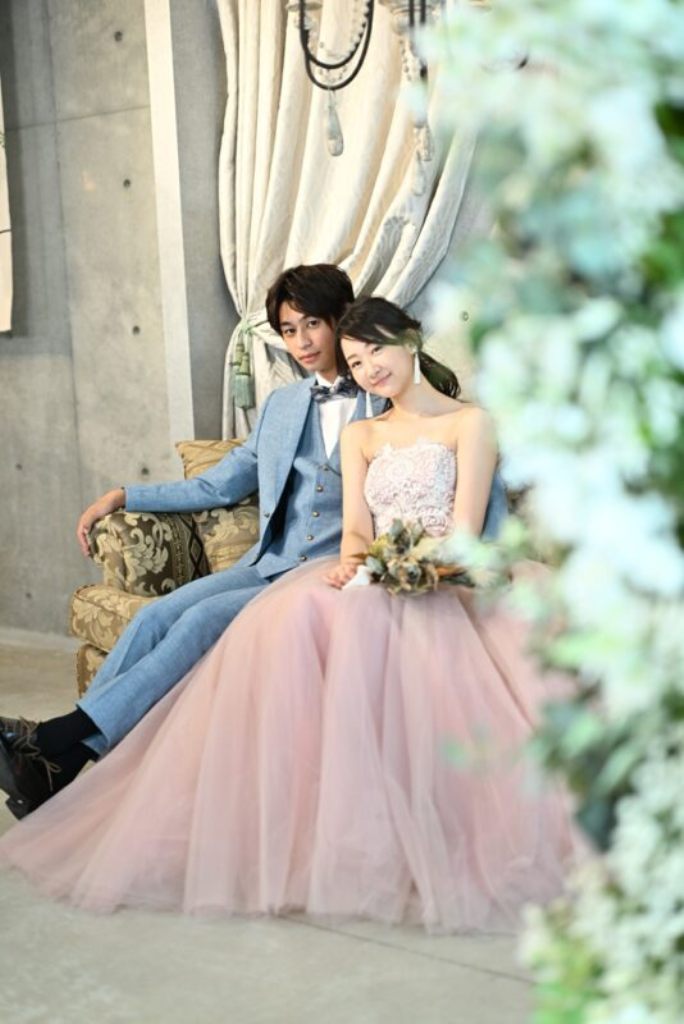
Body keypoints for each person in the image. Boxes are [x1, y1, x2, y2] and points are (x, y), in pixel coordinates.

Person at [0, 298, 573, 932]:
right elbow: (228, 487)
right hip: (282, 564)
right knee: (157, 618)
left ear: (398, 336)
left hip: (404, 573)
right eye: (291, 331)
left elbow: (472, 521)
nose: (310, 344)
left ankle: (53, 750)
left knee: (209, 625)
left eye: (318, 328)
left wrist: (430, 567)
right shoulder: (300, 411)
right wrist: (124, 494)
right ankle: (63, 753)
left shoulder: (449, 417)